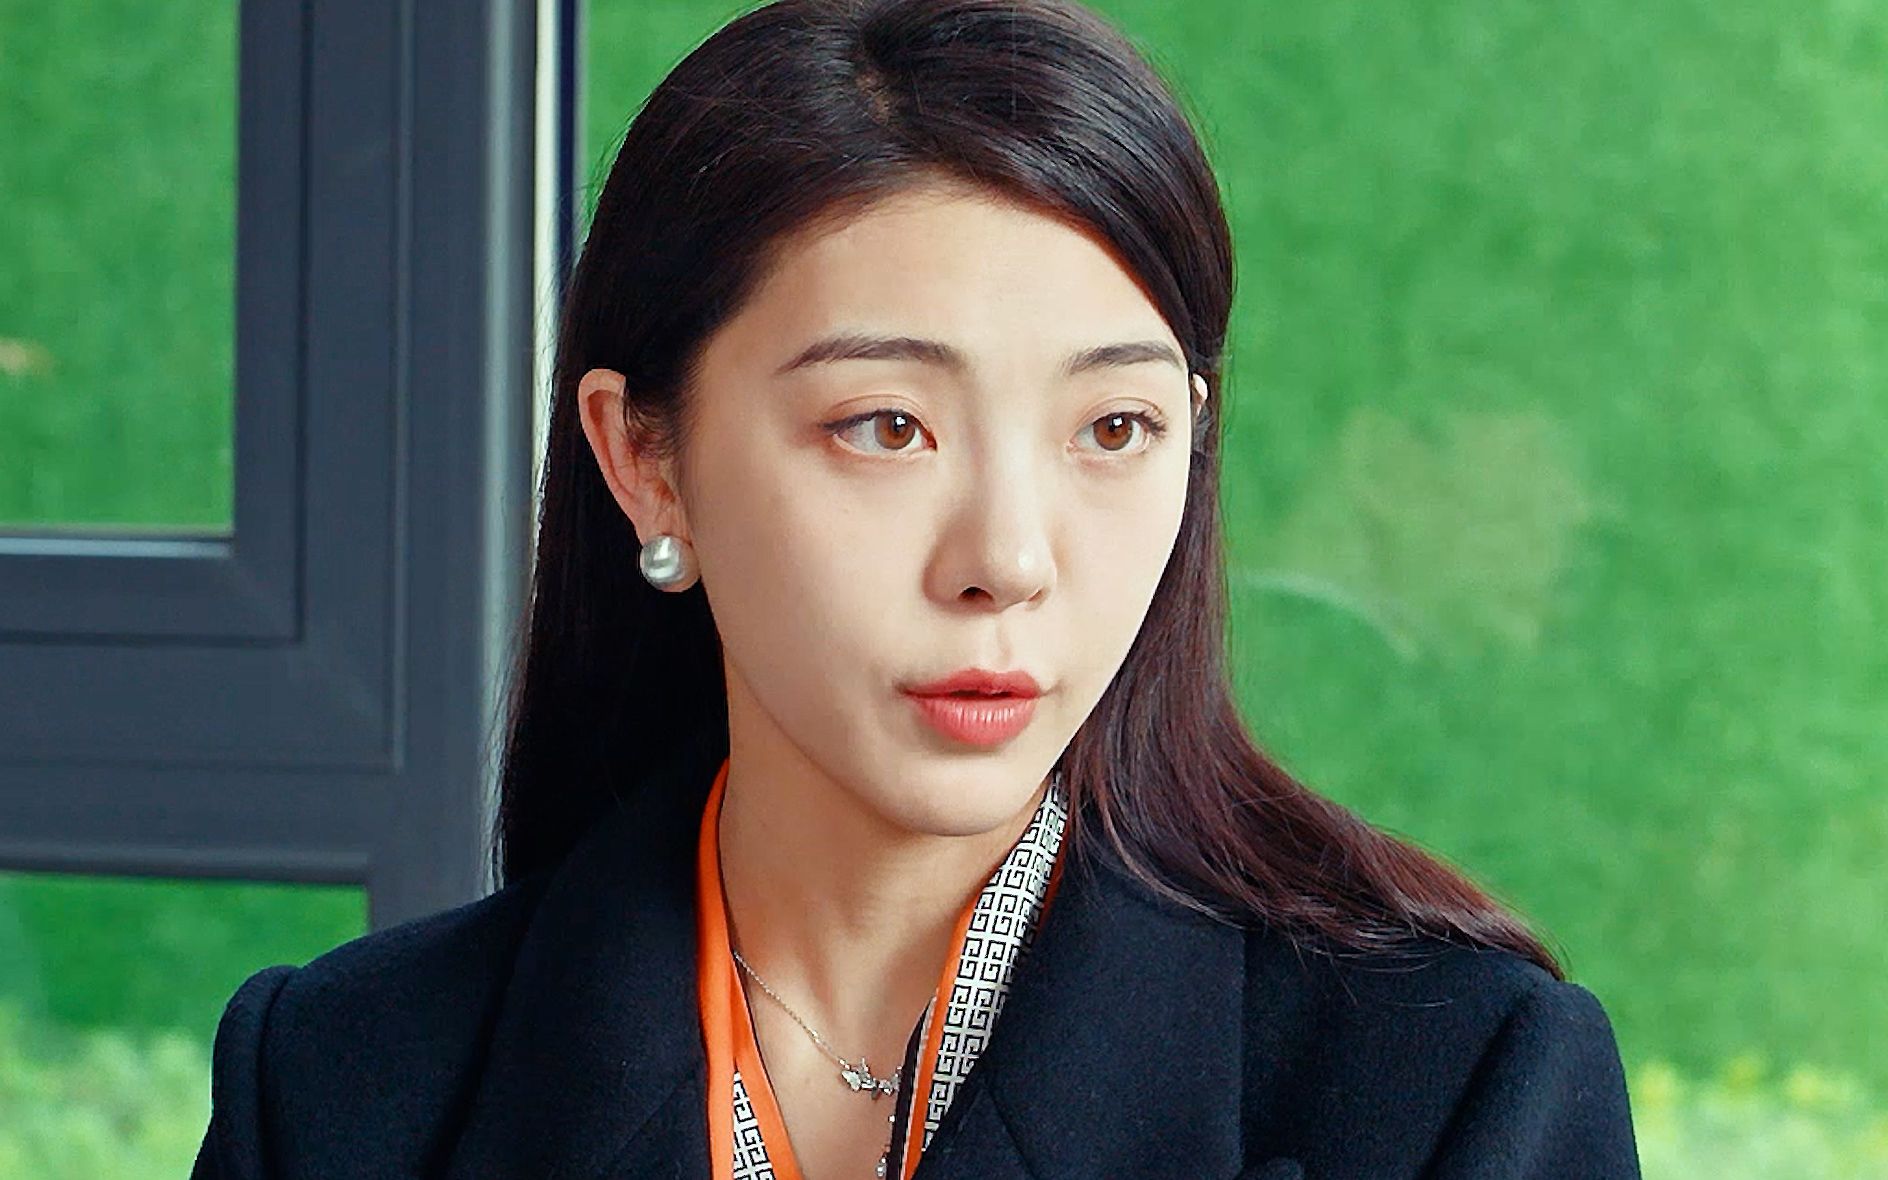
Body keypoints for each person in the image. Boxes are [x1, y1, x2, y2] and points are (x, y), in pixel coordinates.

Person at [191, 0, 1641, 1176]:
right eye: (886, 426)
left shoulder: (1452, 1086)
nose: (1008, 560)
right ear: (645, 461)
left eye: (1114, 429)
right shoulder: (339, 1086)